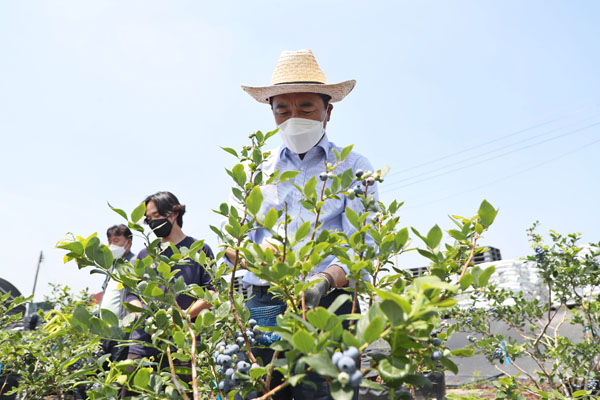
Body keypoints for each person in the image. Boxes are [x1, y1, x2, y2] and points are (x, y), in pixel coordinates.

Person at [227, 49, 377, 399]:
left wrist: (324, 281)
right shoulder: (256, 170)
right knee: (265, 389)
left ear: (328, 110)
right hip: (266, 303)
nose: (293, 117)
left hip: (330, 302)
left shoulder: (353, 166)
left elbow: (364, 245)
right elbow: (231, 243)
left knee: (322, 390)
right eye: (283, 108)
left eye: (306, 107)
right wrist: (253, 258)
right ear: (273, 113)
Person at [124, 191, 214, 363]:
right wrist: (145, 317)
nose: (152, 222)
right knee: (134, 388)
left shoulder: (199, 250)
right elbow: (131, 294)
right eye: (149, 219)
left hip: (184, 342)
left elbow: (211, 293)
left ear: (174, 214)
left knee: (185, 389)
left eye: (156, 216)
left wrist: (181, 317)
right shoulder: (146, 254)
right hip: (144, 343)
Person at [99, 224, 136, 362]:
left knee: (116, 374)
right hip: (104, 331)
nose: (111, 245)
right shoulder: (111, 267)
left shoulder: (134, 264)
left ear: (128, 242)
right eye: (109, 241)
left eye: (116, 241)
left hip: (121, 332)